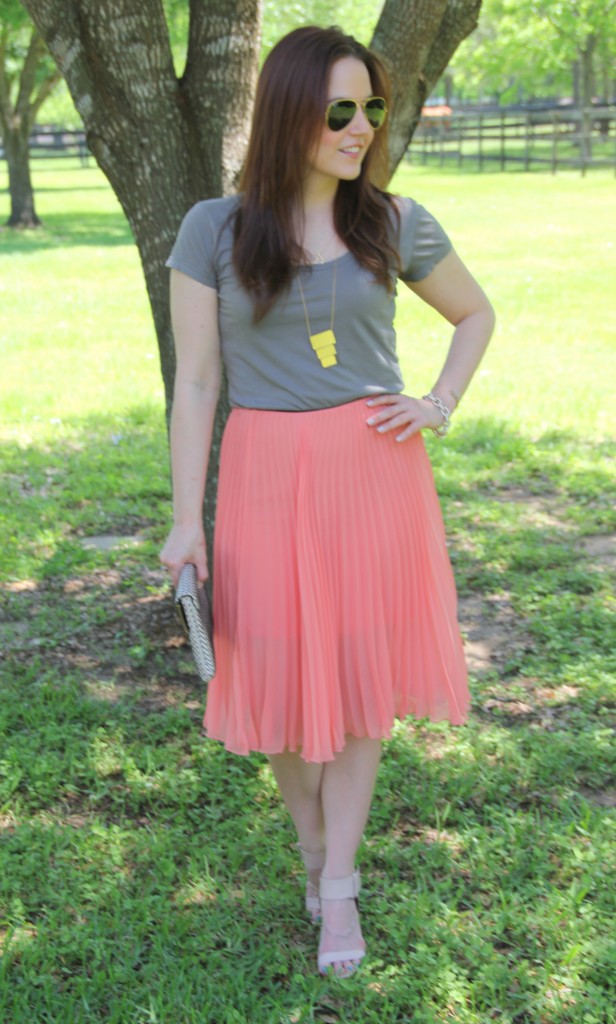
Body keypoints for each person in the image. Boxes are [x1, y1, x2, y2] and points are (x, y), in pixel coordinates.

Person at [160, 25, 495, 978]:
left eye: (372, 109)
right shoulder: (211, 230)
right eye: (340, 110)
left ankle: (337, 882)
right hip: (265, 470)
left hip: (373, 471)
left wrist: (437, 402)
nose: (360, 128)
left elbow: (475, 314)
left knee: (353, 686)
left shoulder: (391, 221)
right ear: (290, 113)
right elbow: (195, 384)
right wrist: (189, 519)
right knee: (269, 676)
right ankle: (310, 845)